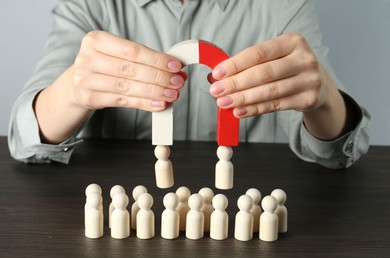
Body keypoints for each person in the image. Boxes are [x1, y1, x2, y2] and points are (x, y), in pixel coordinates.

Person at [8, 0, 370, 168]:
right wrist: (73, 90)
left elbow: (334, 153)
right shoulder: (91, 5)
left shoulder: (281, 7)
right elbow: (26, 141)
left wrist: (323, 101)